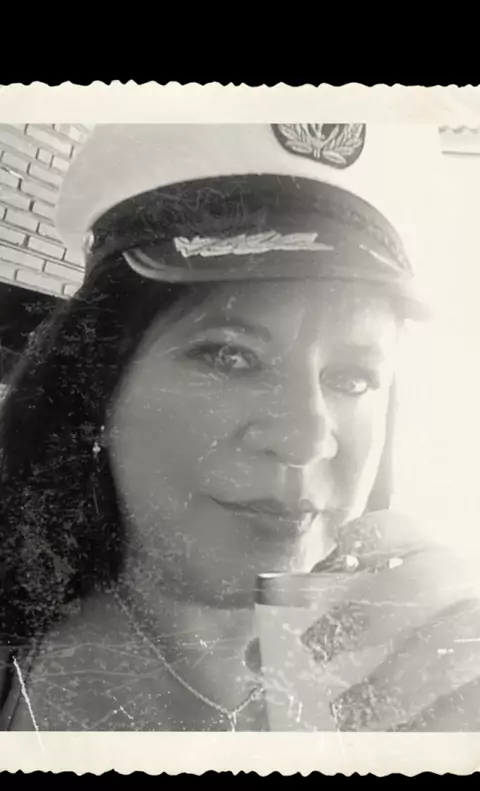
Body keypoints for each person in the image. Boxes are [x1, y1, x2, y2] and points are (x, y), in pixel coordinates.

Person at [0, 123, 479, 732]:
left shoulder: (431, 686)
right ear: (98, 389)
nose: (306, 441)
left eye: (353, 379)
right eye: (230, 356)